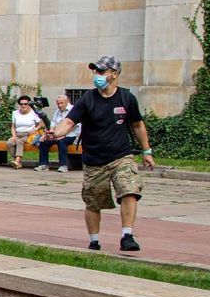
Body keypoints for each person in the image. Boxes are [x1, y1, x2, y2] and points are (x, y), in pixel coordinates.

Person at [46, 56, 155, 252]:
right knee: (93, 201)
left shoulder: (127, 98)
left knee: (129, 189)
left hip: (121, 155)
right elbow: (69, 122)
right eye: (95, 71)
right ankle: (94, 240)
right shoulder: (88, 99)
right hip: (94, 159)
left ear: (114, 74)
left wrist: (147, 151)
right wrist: (56, 133)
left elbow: (138, 125)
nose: (97, 75)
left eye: (101, 71)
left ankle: (127, 236)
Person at [37, 94, 79, 172]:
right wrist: (49, 132)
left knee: (61, 141)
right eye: (58, 103)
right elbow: (53, 123)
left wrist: (63, 135)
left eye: (62, 103)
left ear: (67, 102)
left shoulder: (73, 109)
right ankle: (43, 164)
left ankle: (63, 165)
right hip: (58, 134)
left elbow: (74, 125)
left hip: (72, 135)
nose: (59, 105)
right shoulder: (57, 111)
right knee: (44, 141)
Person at [6, 95, 45, 169]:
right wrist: (14, 136)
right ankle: (18, 162)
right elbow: (13, 127)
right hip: (18, 134)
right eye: (21, 104)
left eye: (25, 104)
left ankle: (17, 161)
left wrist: (35, 129)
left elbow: (41, 124)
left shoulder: (34, 113)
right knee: (10, 142)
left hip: (30, 135)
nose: (23, 105)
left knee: (20, 142)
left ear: (29, 104)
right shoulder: (15, 113)